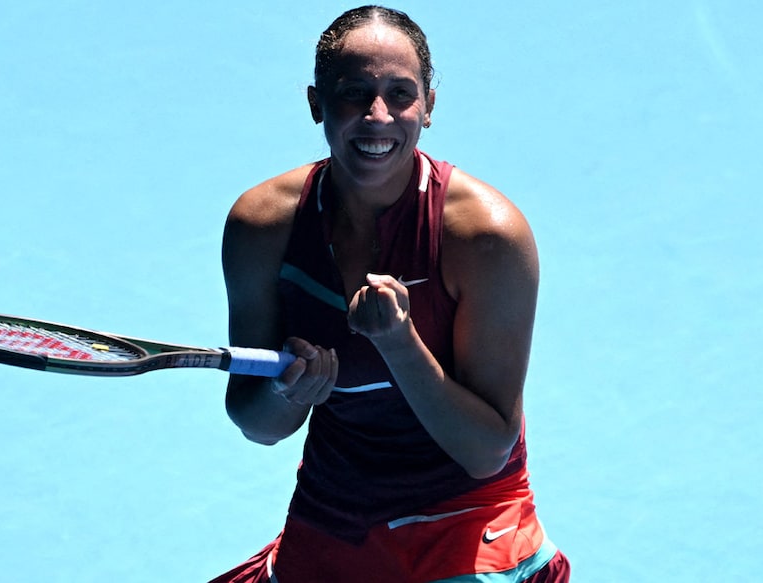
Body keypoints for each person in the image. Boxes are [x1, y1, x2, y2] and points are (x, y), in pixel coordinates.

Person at [212, 6, 569, 582]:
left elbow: (486, 451)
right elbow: (258, 423)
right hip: (336, 517)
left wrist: (399, 343)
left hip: (469, 522)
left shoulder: (486, 236)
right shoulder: (262, 226)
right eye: (355, 93)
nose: (378, 117)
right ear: (315, 104)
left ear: (428, 106)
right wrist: (292, 393)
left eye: (400, 94)